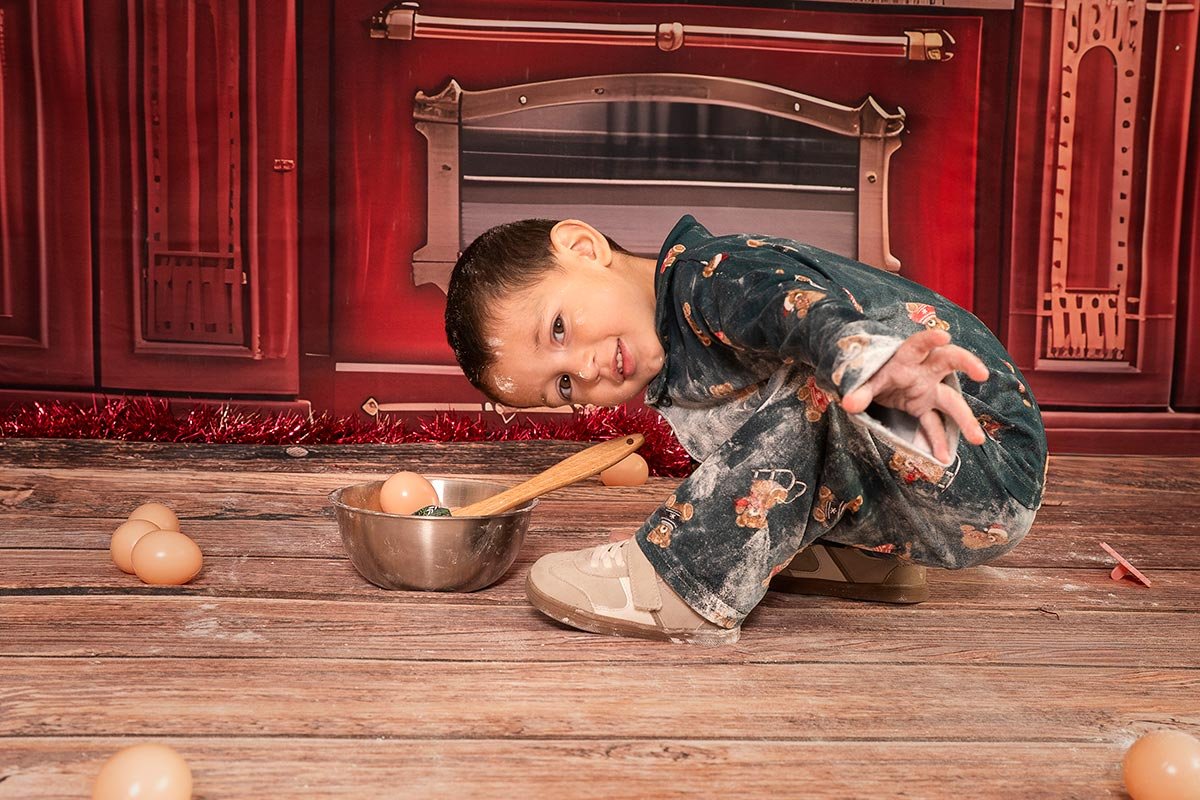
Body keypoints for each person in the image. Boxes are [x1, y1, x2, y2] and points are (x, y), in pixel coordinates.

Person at [444, 215, 1047, 645]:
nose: (583, 369)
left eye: (558, 329)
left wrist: (868, 361)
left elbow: (795, 310)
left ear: (583, 247)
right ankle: (850, 561)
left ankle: (684, 582)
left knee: (816, 386)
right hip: (915, 490)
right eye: (563, 386)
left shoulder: (712, 278)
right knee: (758, 437)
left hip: (969, 448)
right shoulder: (670, 355)